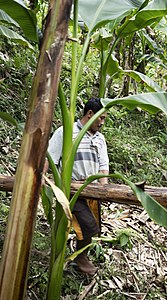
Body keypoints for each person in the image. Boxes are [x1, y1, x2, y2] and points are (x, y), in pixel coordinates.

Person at [45, 97, 109, 276]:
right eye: (101, 118)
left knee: (94, 226)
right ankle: (78, 258)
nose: (102, 122)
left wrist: (104, 191)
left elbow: (103, 165)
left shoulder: (100, 138)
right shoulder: (66, 131)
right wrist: (41, 177)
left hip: (93, 190)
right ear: (90, 114)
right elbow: (50, 157)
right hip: (72, 189)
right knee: (88, 225)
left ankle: (80, 255)